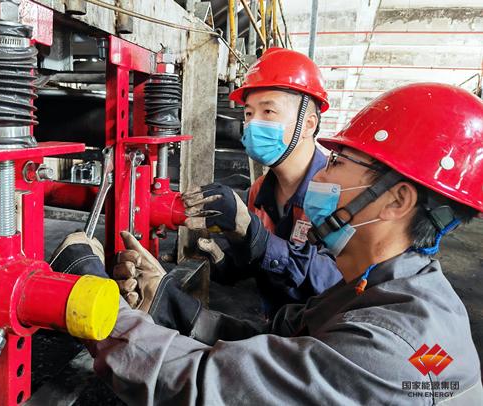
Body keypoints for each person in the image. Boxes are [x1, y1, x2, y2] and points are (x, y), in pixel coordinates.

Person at [53, 83, 483, 404]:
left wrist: (92, 299)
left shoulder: (390, 350)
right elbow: (281, 340)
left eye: (336, 162)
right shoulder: (379, 290)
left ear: (397, 200)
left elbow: (208, 386)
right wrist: (169, 302)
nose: (321, 175)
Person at [183, 48, 342, 315]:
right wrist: (225, 257)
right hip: (275, 323)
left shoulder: (339, 191)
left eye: (268, 111)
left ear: (308, 125)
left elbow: (335, 282)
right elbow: (260, 261)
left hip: (323, 335)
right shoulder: (259, 191)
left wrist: (252, 231)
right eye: (248, 114)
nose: (253, 124)